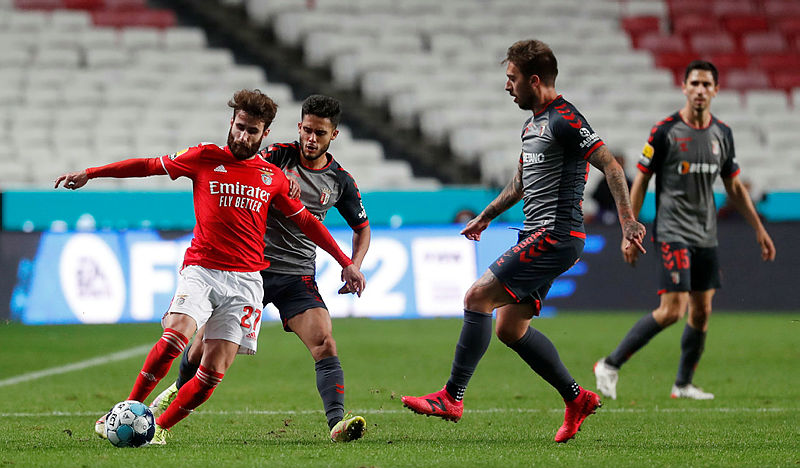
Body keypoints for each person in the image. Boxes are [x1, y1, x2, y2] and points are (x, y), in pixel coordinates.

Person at [55, 89, 365, 445]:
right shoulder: (204, 157)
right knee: (175, 337)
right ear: (231, 123)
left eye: (252, 131)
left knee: (214, 369)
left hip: (249, 281)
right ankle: (125, 408)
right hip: (202, 269)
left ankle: (158, 429)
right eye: (240, 127)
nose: (242, 136)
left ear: (264, 135)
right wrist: (91, 173)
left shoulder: (273, 177)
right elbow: (148, 165)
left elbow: (308, 222)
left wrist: (346, 263)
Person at [401, 40, 647, 443]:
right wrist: (485, 215)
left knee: (476, 296)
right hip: (538, 232)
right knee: (510, 328)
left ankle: (452, 396)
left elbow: (612, 165)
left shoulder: (566, 119)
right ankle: (576, 398)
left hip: (556, 234)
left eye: (511, 78)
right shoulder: (532, 124)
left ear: (535, 80)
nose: (507, 86)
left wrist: (628, 222)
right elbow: (520, 182)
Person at [148, 95, 371, 443]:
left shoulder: (341, 181)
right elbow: (245, 166)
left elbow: (362, 228)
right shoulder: (276, 156)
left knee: (325, 342)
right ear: (299, 128)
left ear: (334, 136)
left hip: (297, 275)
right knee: (204, 347)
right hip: (248, 270)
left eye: (320, 134)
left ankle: (336, 425)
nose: (311, 139)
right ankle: (177, 387)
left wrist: (352, 265)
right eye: (307, 131)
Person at [593, 60, 776, 401]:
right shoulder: (665, 131)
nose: (701, 90)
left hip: (706, 233)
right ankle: (610, 364)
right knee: (673, 311)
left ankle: (683, 384)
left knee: (703, 310)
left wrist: (758, 229)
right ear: (684, 87)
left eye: (707, 85)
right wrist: (629, 226)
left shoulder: (723, 134)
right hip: (673, 230)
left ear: (716, 91)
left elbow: (734, 187)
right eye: (695, 83)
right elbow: (643, 179)